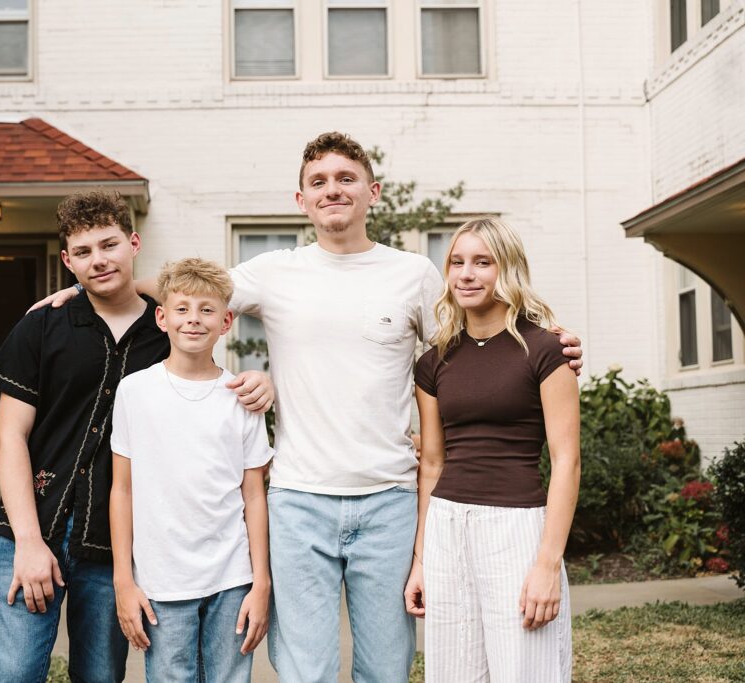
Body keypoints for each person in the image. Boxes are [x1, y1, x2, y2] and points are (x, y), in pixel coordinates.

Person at [32, 133, 583, 681]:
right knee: (303, 670)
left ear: (373, 191)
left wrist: (545, 340)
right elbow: (189, 291)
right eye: (318, 182)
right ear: (301, 200)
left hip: (388, 499)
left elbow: (470, 346)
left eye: (346, 178)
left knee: (387, 669)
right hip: (299, 501)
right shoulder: (274, 272)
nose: (332, 190)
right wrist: (95, 287)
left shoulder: (413, 275)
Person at [0, 191, 273, 683]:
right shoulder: (42, 326)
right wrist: (28, 540)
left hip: (111, 544)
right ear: (66, 260)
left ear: (133, 243)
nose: (99, 260)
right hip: (35, 523)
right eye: (84, 252)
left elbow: (209, 312)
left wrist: (261, 379)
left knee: (100, 675)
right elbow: (9, 438)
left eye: (109, 245)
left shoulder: (169, 327)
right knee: (12, 671)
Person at [404, 216, 580, 682]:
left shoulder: (547, 350)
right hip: (447, 527)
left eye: (483, 262)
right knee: (455, 672)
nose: (466, 274)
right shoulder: (433, 360)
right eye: (457, 262)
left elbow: (567, 461)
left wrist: (547, 564)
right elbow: (433, 464)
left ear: (508, 270)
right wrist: (421, 561)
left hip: (516, 529)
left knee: (526, 669)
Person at [110, 257, 272, 682]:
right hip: (162, 582)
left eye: (206, 310)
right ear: (162, 317)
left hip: (232, 578)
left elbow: (253, 494)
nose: (193, 320)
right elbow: (122, 490)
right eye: (182, 309)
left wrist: (261, 582)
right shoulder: (135, 391)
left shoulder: (240, 396)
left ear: (226, 320)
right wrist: (124, 581)